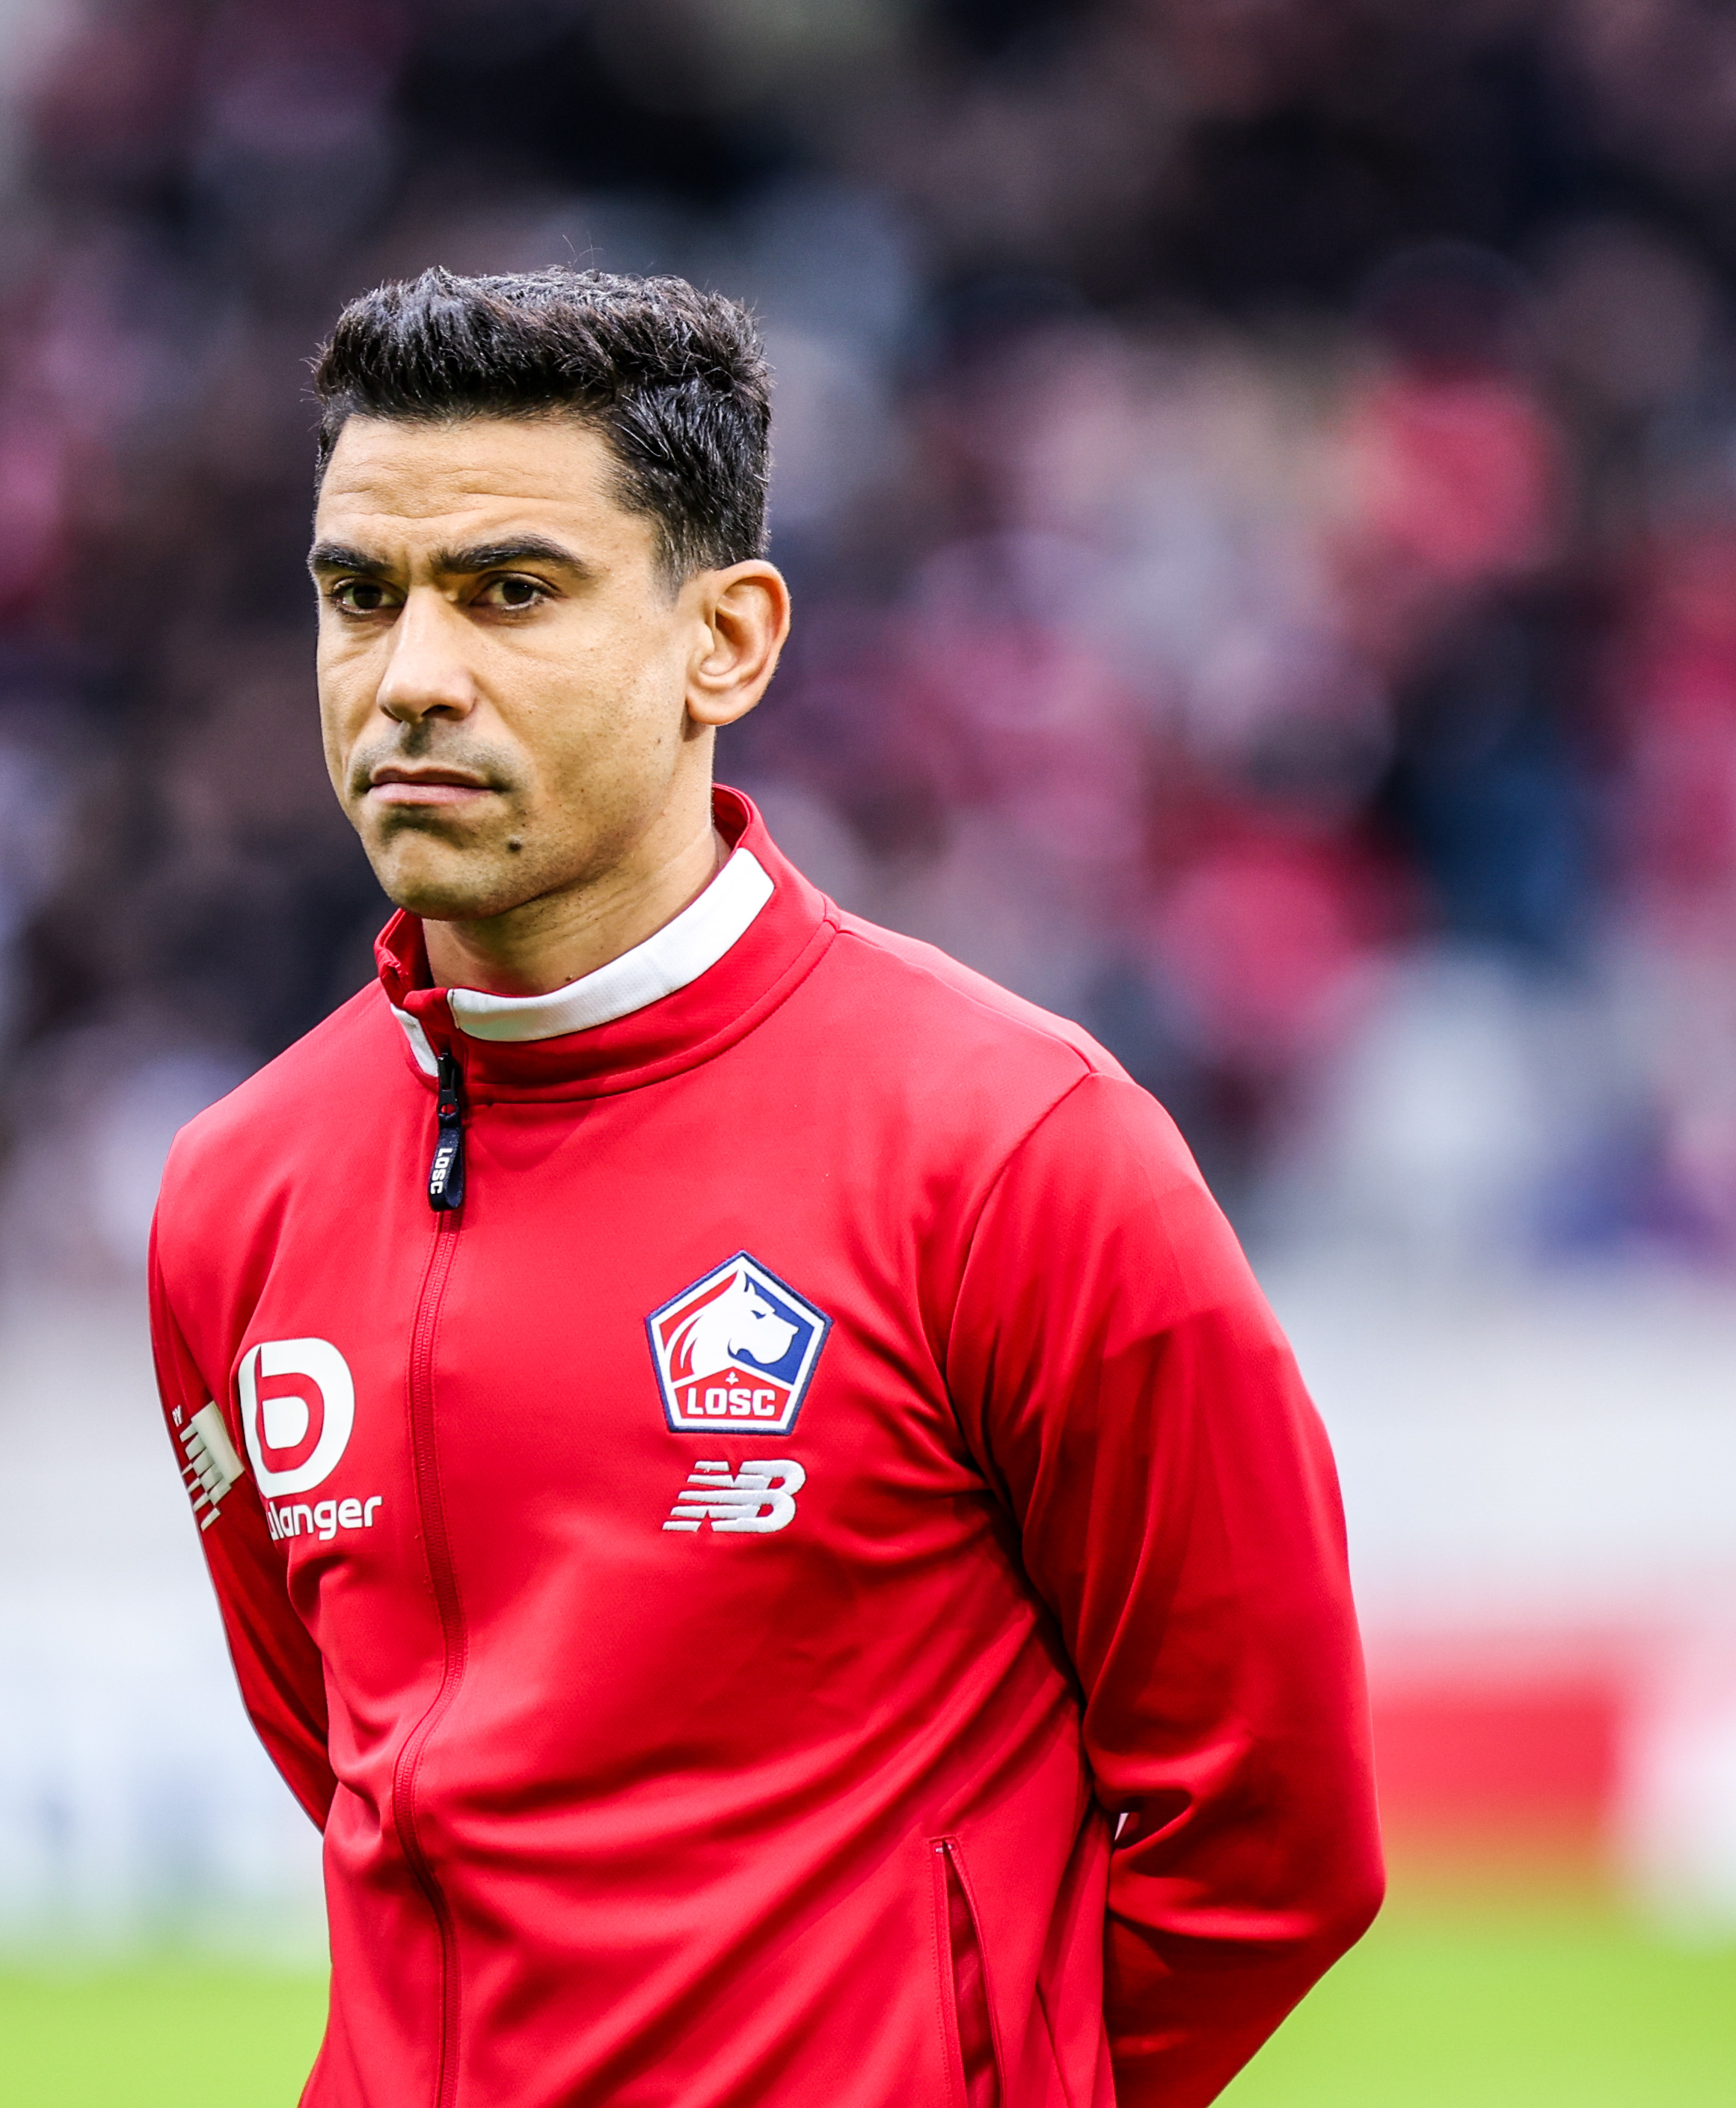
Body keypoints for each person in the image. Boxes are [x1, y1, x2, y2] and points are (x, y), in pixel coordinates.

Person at [145, 269, 1384, 2108]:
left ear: (723, 640)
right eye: (358, 596)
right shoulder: (229, 1194)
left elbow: (1269, 1829)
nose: (409, 676)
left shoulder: (1018, 1147)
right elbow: (343, 1759)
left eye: (508, 591)